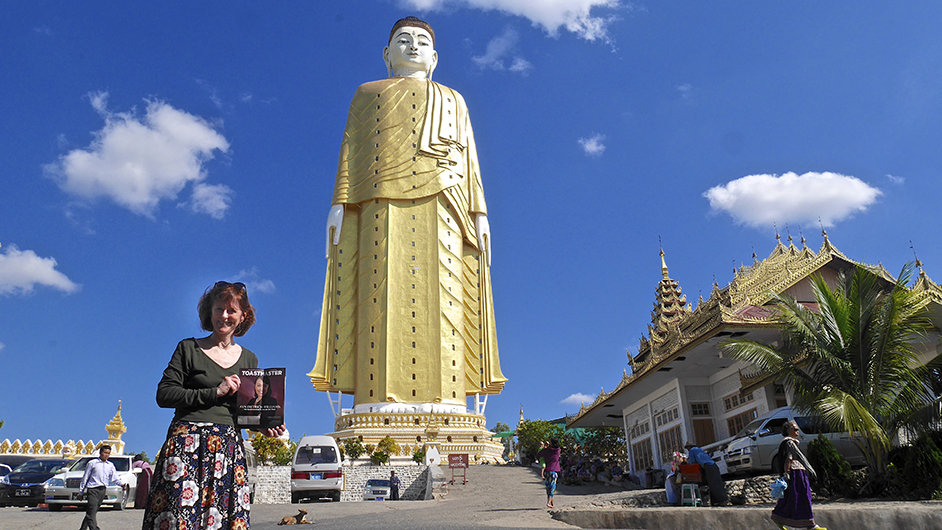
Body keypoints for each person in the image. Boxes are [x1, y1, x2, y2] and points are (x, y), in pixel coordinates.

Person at [308, 16, 507, 411]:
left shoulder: (453, 98)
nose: (412, 47)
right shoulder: (368, 93)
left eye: (421, 42)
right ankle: (372, 403)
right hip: (379, 204)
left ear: (434, 57)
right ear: (387, 54)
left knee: (448, 298)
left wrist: (480, 211)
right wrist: (338, 203)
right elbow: (351, 150)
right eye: (403, 40)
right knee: (377, 295)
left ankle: (449, 402)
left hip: (446, 205)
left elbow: (470, 160)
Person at [142, 281, 286, 530]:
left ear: (243, 317)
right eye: (219, 309)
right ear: (209, 312)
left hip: (228, 450)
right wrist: (214, 392)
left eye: (231, 311)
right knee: (179, 519)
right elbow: (164, 395)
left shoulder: (249, 358)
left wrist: (260, 424)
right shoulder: (188, 349)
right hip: (186, 445)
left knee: (223, 520)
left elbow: (243, 408)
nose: (224, 316)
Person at [771, 420, 828, 530]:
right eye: (795, 429)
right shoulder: (789, 443)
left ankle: (779, 517)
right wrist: (788, 473)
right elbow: (789, 458)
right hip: (796, 474)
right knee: (803, 497)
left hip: (798, 473)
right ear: (788, 430)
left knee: (792, 498)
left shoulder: (791, 443)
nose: (797, 431)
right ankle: (811, 525)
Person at [79, 444, 123, 530]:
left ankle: (83, 528)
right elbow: (85, 477)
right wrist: (81, 492)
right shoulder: (92, 463)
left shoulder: (110, 465)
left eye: (108, 453)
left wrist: (121, 484)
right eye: (105, 453)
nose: (106, 455)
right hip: (93, 489)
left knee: (92, 511)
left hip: (102, 490)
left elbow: (114, 478)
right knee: (92, 509)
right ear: (100, 453)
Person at [685, 441, 729, 506]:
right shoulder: (699, 449)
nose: (687, 449)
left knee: (713, 485)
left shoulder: (692, 450)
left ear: (689, 447)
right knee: (715, 483)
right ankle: (716, 501)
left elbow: (691, 461)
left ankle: (721, 500)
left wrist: (685, 463)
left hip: (708, 467)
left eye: (687, 448)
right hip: (713, 465)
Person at [535, 438, 562, 508]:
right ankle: (549, 502)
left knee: (548, 487)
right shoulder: (557, 451)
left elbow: (538, 455)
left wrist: (545, 447)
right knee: (552, 487)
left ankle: (551, 502)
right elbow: (557, 448)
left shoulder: (546, 451)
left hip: (547, 471)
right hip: (554, 471)